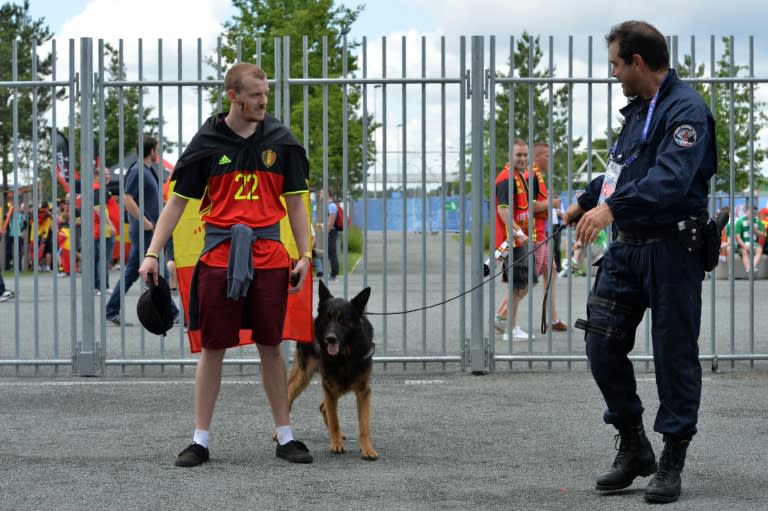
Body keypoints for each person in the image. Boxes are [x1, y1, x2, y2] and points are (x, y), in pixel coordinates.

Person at [563, 21, 717, 504]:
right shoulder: (637, 112)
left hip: (672, 250)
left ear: (638, 62)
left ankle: (672, 459)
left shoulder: (685, 109)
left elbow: (671, 179)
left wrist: (611, 208)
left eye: (614, 63)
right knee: (601, 345)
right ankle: (634, 447)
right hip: (627, 248)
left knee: (674, 356)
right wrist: (587, 201)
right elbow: (621, 171)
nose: (612, 73)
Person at [138, 62, 314, 467]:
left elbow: (296, 205)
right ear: (232, 96)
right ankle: (200, 440)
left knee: (272, 345)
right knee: (213, 347)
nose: (263, 102)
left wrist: (304, 255)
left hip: (270, 256)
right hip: (218, 256)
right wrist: (152, 252)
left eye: (265, 94)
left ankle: (285, 435)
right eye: (255, 95)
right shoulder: (207, 142)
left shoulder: (282, 143)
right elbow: (177, 203)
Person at [105, 135, 178, 325]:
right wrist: (146, 222)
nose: (159, 153)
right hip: (144, 231)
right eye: (157, 149)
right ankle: (174, 313)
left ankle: (112, 309)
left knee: (134, 272)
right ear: (151, 151)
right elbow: (127, 199)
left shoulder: (146, 171)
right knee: (157, 271)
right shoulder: (138, 170)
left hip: (147, 230)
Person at [494, 139, 535, 342]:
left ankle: (503, 319)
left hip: (521, 241)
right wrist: (519, 233)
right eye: (519, 155)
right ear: (510, 156)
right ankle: (511, 329)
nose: (523, 158)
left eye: (525, 155)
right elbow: (503, 211)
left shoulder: (520, 177)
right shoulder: (506, 179)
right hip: (513, 242)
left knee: (525, 282)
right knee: (517, 285)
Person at [526, 142, 567, 331]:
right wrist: (552, 203)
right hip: (532, 235)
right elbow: (529, 206)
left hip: (540, 233)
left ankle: (553, 318)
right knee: (527, 280)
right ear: (537, 157)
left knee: (550, 271)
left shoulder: (537, 177)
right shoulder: (532, 177)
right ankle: (502, 315)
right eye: (548, 156)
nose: (550, 160)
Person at [733, 206, 764, 274]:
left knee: (759, 249)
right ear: (746, 211)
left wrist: (754, 229)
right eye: (750, 211)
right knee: (744, 251)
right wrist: (744, 245)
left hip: (754, 243)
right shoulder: (740, 221)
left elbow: (762, 235)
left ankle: (751, 268)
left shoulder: (758, 221)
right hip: (743, 244)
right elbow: (737, 237)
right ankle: (749, 268)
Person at [325, 187, 341, 280]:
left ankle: (334, 274)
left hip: (332, 232)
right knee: (331, 252)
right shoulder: (331, 205)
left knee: (332, 252)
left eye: (322, 193)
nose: (320, 195)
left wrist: (327, 231)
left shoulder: (331, 206)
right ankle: (333, 273)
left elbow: (331, 222)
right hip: (332, 231)